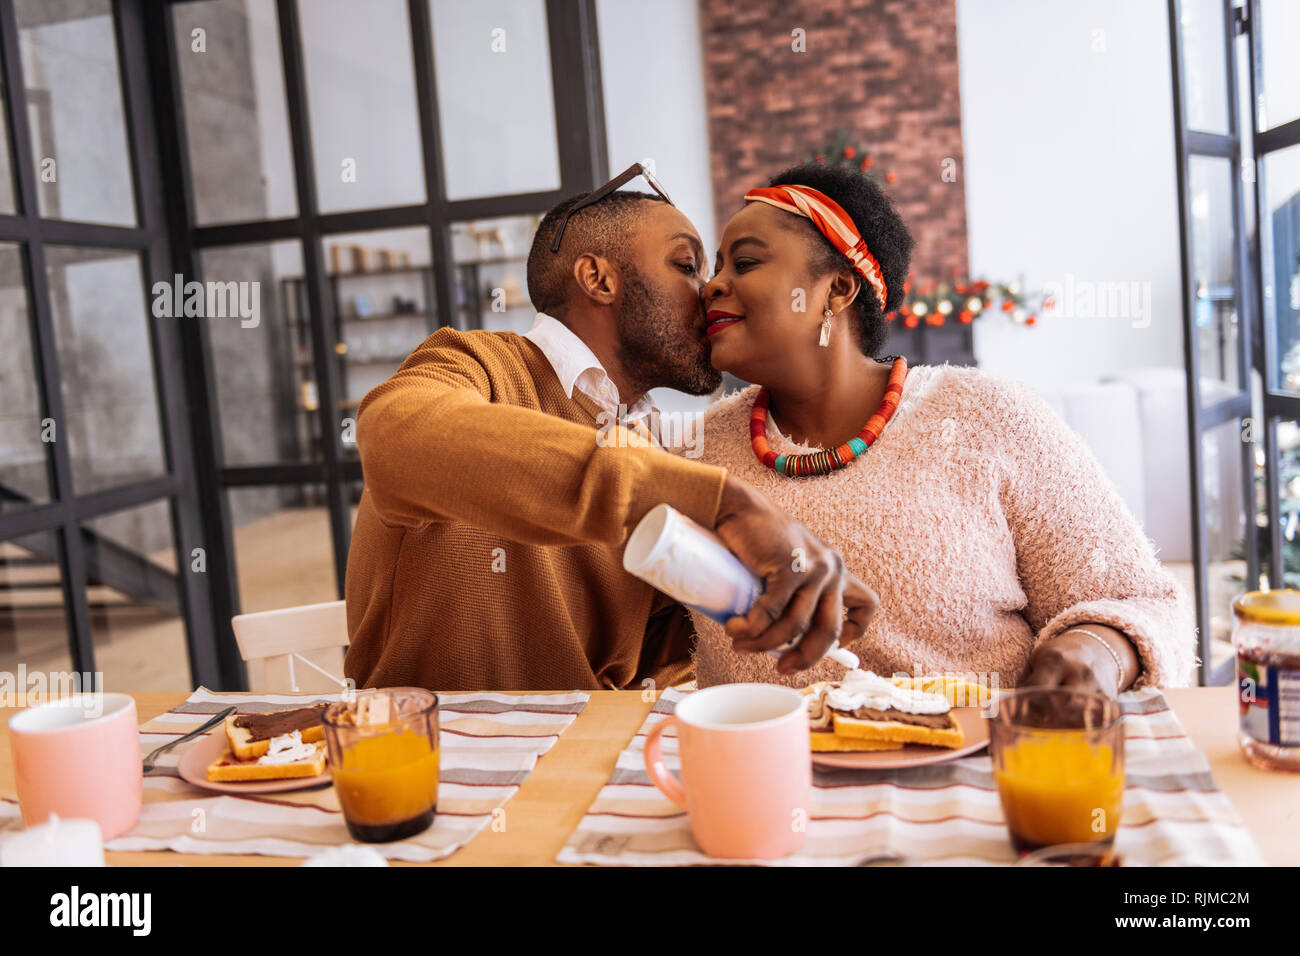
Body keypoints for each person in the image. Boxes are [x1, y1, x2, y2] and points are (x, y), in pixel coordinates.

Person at [344, 165, 878, 692]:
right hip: (433, 762)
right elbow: (394, 437)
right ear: (599, 279)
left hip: (591, 765)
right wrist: (723, 504)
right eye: (687, 265)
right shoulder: (480, 365)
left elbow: (663, 664)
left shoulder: (654, 447)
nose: (711, 288)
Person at [688, 161, 1196, 698]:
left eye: (744, 263)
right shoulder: (698, 453)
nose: (712, 285)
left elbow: (1143, 602)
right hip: (766, 776)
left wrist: (1096, 649)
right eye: (713, 267)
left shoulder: (988, 416)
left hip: (978, 770)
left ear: (837, 289)